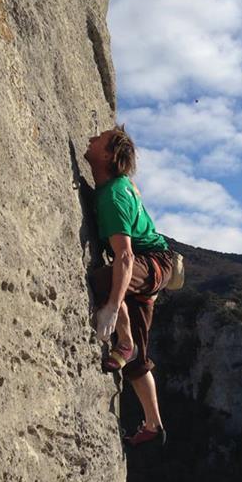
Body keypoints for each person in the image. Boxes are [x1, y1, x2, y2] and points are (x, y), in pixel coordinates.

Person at [84, 127, 174, 447]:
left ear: (107, 155)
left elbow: (124, 258)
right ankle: (154, 425)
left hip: (151, 264)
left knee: (103, 282)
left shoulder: (112, 195)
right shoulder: (119, 186)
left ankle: (124, 342)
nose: (91, 138)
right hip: (152, 268)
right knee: (137, 362)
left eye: (99, 138)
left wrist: (111, 308)